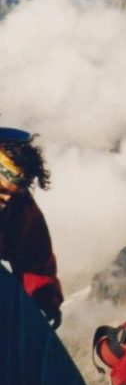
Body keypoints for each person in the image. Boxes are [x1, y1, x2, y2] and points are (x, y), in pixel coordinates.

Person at [0, 128, 62, 329]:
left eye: (12, 193)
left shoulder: (17, 206)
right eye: (2, 190)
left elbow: (35, 256)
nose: (6, 198)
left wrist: (44, 295)